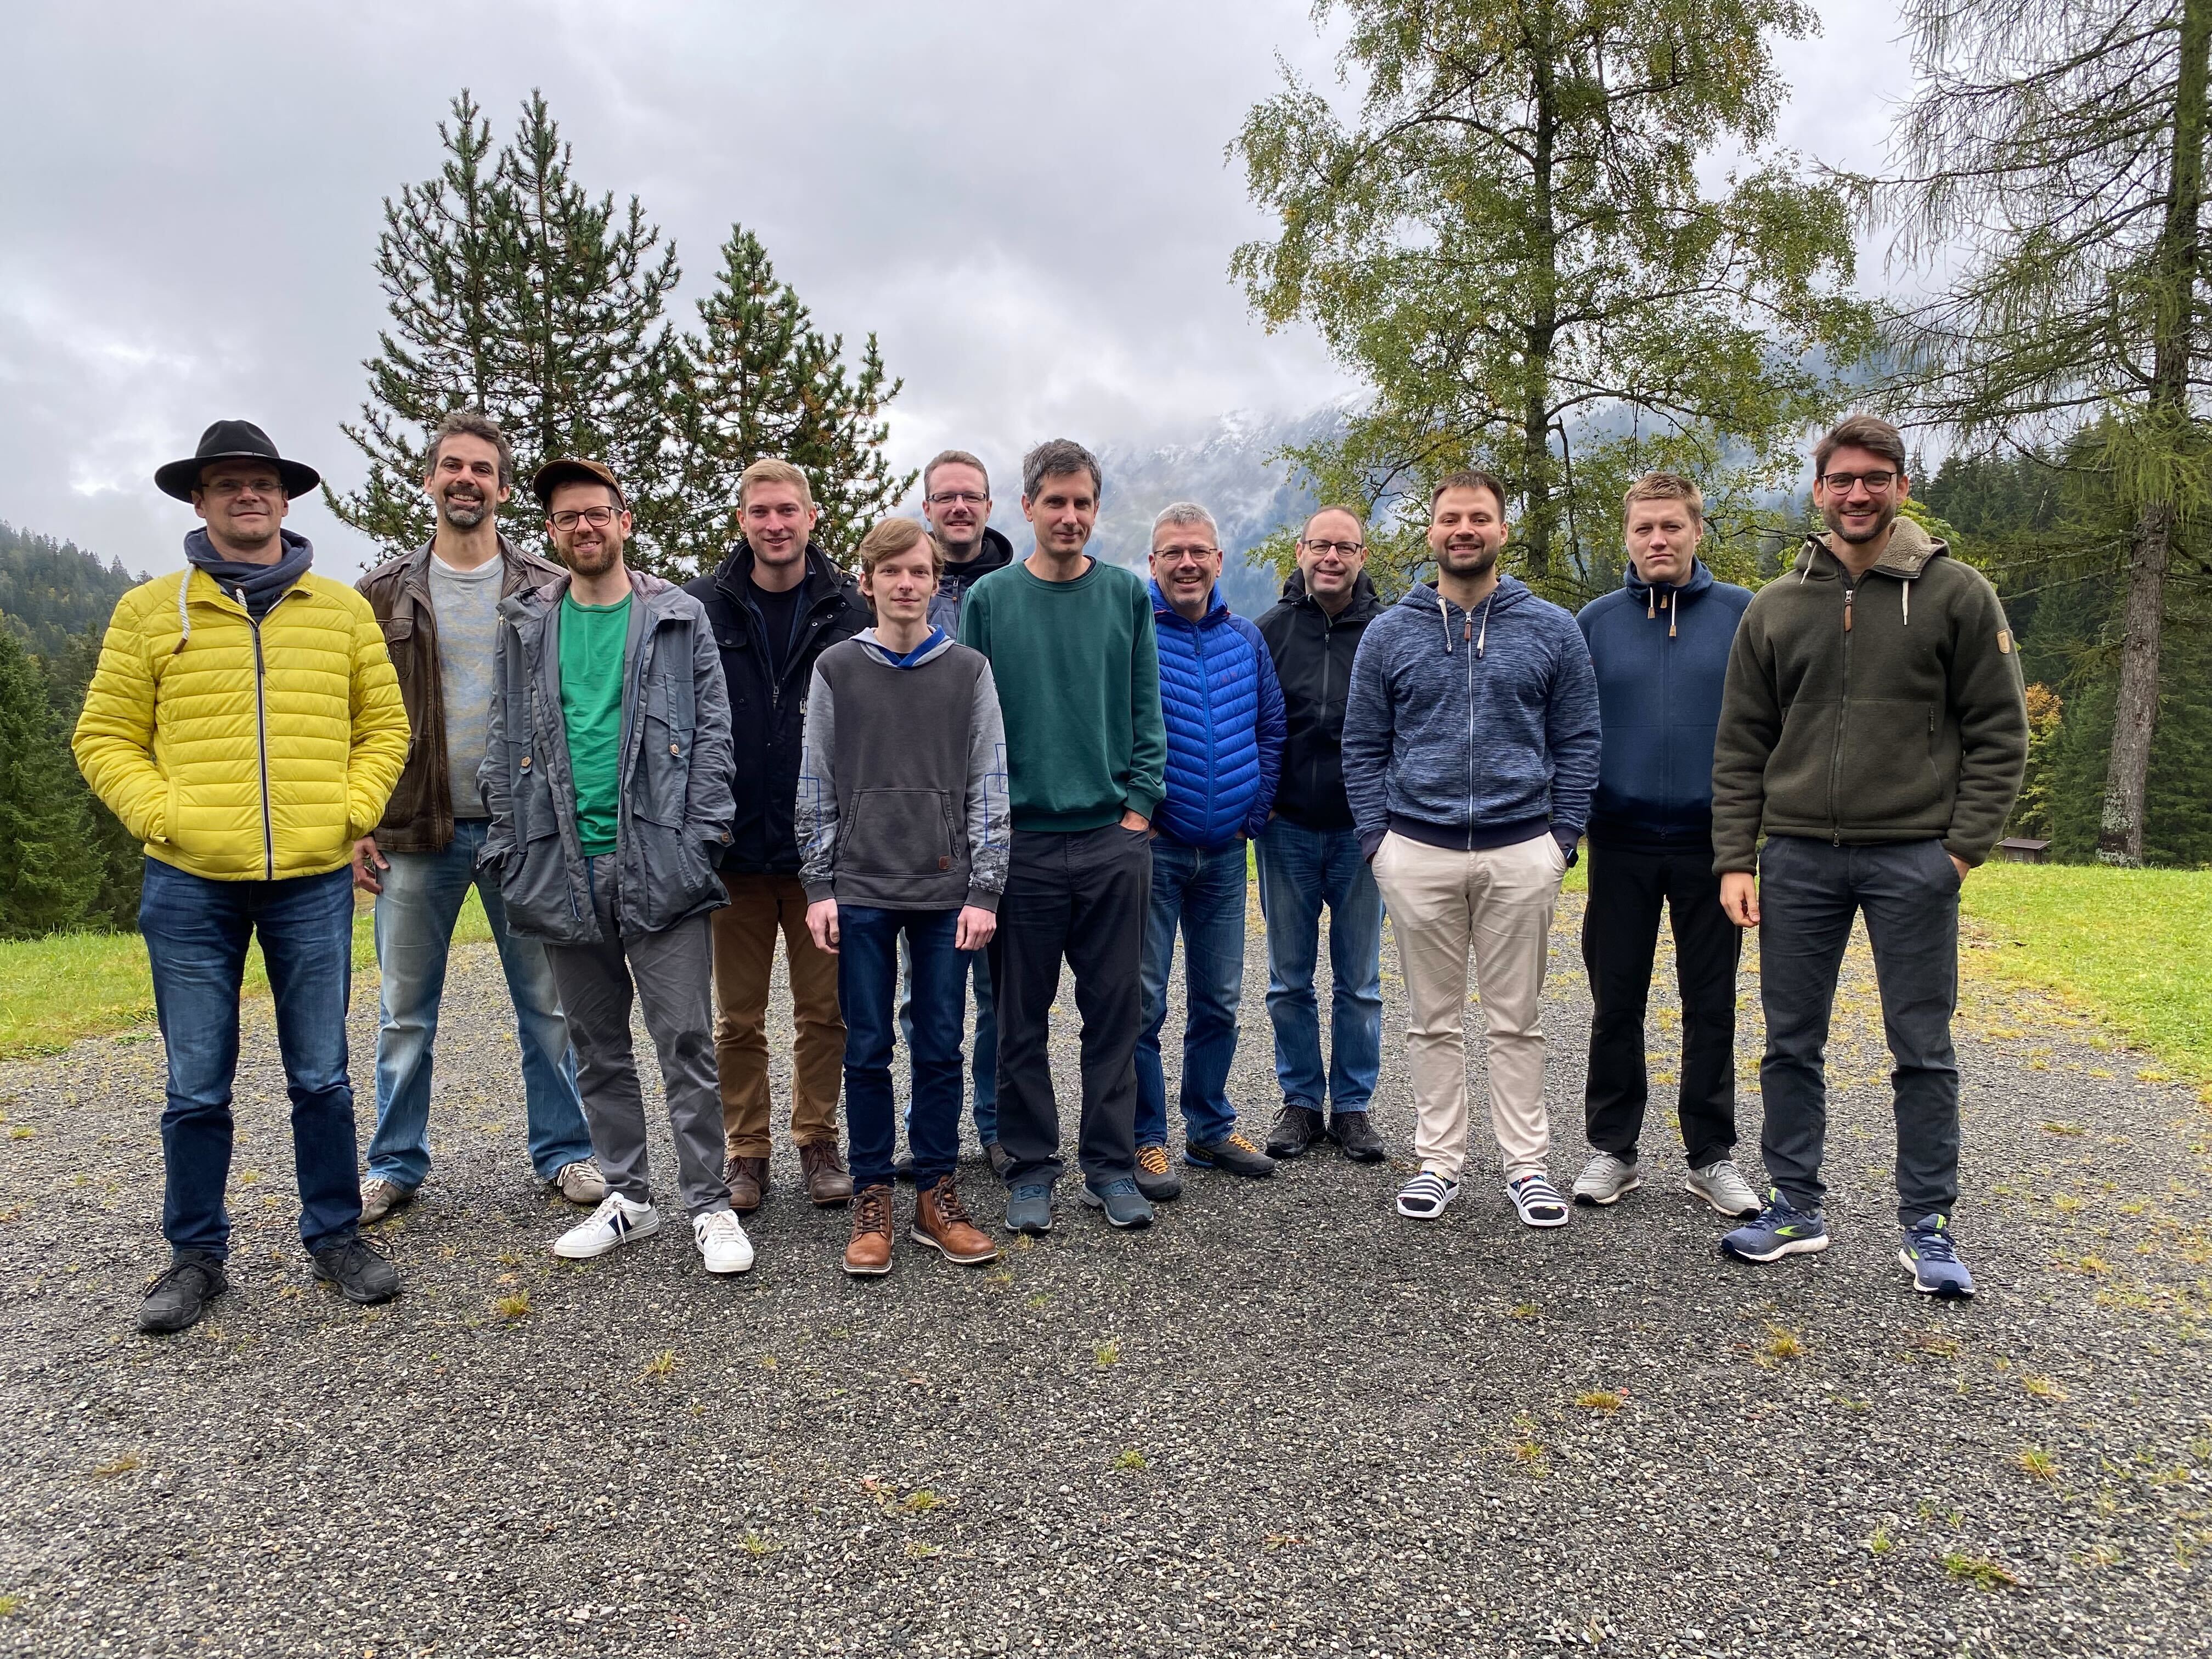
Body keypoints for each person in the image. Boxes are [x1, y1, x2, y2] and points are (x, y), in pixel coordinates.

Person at [74, 421, 410, 1333]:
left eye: (261, 481)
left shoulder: (339, 611)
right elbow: (103, 736)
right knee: (195, 1083)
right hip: (188, 880)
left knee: (322, 1075)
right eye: (227, 483)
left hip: (311, 878)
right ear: (199, 499)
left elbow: (385, 727)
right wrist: (164, 815)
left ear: (285, 497)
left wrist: (348, 811)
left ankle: (335, 1236)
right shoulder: (151, 611)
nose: (247, 495)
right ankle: (196, 1255)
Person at [1712, 416, 2028, 1297]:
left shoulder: (1957, 595)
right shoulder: (1777, 606)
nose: (1859, 494)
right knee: (1790, 1043)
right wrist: (1736, 857)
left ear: (1901, 487)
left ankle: (1928, 1226)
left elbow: (2001, 733)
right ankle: (1795, 1207)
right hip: (1798, 858)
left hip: (1914, 858)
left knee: (1922, 1048)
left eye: (1876, 478)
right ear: (1819, 491)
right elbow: (1740, 744)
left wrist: (1959, 852)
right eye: (1843, 479)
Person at [481, 458, 750, 1275]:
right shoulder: (526, 625)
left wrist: (700, 839)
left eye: (597, 513)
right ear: (552, 532)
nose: (584, 527)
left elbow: (714, 732)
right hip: (559, 861)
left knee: (686, 1040)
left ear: (624, 521)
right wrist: (510, 845)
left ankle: (709, 1203)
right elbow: (503, 735)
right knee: (596, 1043)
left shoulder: (675, 617)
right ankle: (629, 1196)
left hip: (660, 859)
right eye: (568, 518)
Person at [351, 411, 602, 1224]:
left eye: (483, 469)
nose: (467, 480)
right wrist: (356, 822)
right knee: (404, 1014)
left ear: (502, 487)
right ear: (430, 479)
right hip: (413, 831)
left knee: (548, 1006)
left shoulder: (547, 588)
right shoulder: (382, 593)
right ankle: (393, 1164)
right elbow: (349, 714)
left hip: (523, 832)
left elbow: (579, 703)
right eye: (453, 466)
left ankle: (565, 1151)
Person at [1342, 470, 1600, 1227]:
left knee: (1517, 1020)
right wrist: (1378, 843)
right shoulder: (1389, 633)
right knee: (1433, 1019)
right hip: (1415, 850)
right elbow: (1362, 745)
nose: (1464, 529)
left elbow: (1580, 739)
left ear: (1502, 531)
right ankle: (1439, 1162)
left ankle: (1527, 1168)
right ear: (1430, 532)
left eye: (1479, 518)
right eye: (1451, 517)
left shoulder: (1552, 628)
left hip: (1522, 848)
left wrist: (1562, 840)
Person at [958, 439, 1167, 1234]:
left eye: (1083, 503)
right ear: (1028, 508)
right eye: (1056, 502)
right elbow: (973, 725)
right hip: (1023, 846)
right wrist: (988, 830)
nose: (1070, 516)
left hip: (1113, 840)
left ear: (1096, 508)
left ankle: (1109, 1166)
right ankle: (1030, 1167)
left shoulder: (1125, 594)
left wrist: (1138, 810)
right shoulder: (991, 600)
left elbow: (1147, 709)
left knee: (1116, 1015)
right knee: (1019, 1019)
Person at [798, 517, 1010, 1276]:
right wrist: (819, 883)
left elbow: (990, 781)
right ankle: (873, 1195)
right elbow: (815, 778)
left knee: (940, 1045)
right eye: (891, 571)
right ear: (868, 583)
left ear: (935, 582)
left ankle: (935, 1194)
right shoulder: (836, 669)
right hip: (859, 886)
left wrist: (985, 889)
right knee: (866, 1047)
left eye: (919, 571)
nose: (907, 583)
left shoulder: (968, 671)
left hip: (947, 889)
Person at [1570, 474, 1760, 1218]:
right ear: (1627, 536)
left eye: (1672, 527)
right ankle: (1613, 1150)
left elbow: (1768, 727)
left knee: (1710, 1004)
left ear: (1697, 532)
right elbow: (1570, 730)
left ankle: (1711, 1155)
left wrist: (1751, 837)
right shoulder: (1595, 622)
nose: (1658, 540)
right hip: (1618, 840)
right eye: (1644, 528)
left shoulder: (1743, 615)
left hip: (1713, 843)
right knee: (1615, 1001)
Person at [684, 459, 868, 1212]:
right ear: (742, 522)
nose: (775, 524)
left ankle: (818, 1139)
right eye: (760, 511)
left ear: (811, 517)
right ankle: (746, 1151)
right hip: (734, 851)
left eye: (788, 510)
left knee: (826, 1012)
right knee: (738, 1018)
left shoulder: (849, 611)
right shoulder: (703, 607)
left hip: (823, 856)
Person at [1131, 502, 1284, 1199]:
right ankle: (1145, 1137)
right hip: (1155, 850)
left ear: (1219, 561)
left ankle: (1209, 1127)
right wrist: (1137, 813)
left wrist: (1254, 812)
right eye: (1173, 552)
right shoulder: (1134, 631)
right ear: (1153, 563)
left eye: (1199, 551)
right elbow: (1114, 726)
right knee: (1143, 1003)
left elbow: (1271, 728)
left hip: (1225, 853)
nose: (1187, 563)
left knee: (1219, 1000)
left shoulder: (1245, 638)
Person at [893, 449, 1015, 1180]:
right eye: (946, 498)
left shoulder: (1015, 589)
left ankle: (997, 1127)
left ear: (989, 507)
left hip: (996, 815)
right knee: (926, 997)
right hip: (920, 822)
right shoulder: (907, 589)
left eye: (971, 496)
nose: (959, 507)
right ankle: (929, 1132)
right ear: (928, 509)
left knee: (998, 993)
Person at [1255, 506, 1388, 1164]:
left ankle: (1354, 1107)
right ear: (1301, 552)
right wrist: (1262, 805)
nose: (1331, 557)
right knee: (1289, 979)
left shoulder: (1388, 633)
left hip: (1364, 834)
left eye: (1345, 547)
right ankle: (1302, 1102)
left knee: (1359, 981)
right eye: (1320, 546)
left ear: (1362, 556)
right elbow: (1250, 722)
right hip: (1287, 829)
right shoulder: (1269, 632)